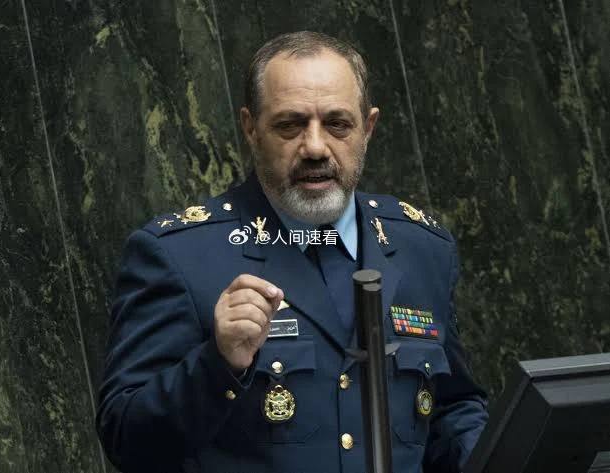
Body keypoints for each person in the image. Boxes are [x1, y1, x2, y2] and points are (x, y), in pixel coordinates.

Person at [96, 31, 488, 473]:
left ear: (368, 128)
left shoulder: (421, 248)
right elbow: (125, 437)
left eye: (337, 124)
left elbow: (452, 412)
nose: (315, 147)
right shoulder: (180, 257)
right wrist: (217, 364)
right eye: (290, 125)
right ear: (251, 128)